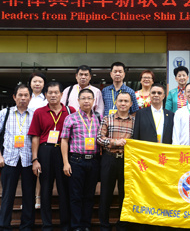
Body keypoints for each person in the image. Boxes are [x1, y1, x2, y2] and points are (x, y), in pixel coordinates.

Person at [28, 81, 75, 231]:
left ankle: (65, 225)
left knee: (64, 189)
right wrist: (35, 159)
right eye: (50, 93)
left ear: (62, 95)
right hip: (45, 151)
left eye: (56, 93)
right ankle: (47, 225)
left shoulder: (70, 110)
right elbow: (35, 137)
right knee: (46, 189)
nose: (53, 95)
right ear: (46, 95)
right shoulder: (39, 112)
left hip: (63, 152)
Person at [61, 88, 101, 231]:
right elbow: (64, 141)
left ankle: (86, 225)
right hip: (76, 161)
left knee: (89, 196)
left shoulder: (98, 118)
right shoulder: (70, 118)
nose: (86, 101)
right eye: (83, 98)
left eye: (89, 98)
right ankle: (76, 226)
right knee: (76, 195)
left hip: (94, 161)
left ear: (93, 101)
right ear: (78, 101)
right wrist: (66, 163)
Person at [97, 92, 135, 231]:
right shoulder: (107, 119)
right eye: (120, 101)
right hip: (109, 158)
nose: (123, 103)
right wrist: (115, 142)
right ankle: (104, 225)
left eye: (126, 101)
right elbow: (99, 139)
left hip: (127, 161)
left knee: (125, 195)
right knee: (105, 194)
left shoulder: (135, 121)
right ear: (116, 103)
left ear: (131, 104)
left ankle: (122, 225)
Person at [0, 84, 35, 231]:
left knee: (29, 195)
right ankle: (4, 225)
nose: (23, 98)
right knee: (8, 195)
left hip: (28, 159)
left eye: (26, 95)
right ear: (14, 97)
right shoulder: (4, 113)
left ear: (30, 97)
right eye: (20, 95)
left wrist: (36, 159)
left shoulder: (34, 114)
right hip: (9, 158)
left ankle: (26, 226)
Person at [27, 72, 48, 209]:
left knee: (39, 168)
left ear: (44, 84)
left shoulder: (46, 100)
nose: (37, 84)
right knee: (27, 170)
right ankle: (27, 199)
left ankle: (38, 198)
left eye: (40, 81)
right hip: (24, 137)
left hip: (39, 137)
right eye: (35, 81)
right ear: (30, 83)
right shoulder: (25, 97)